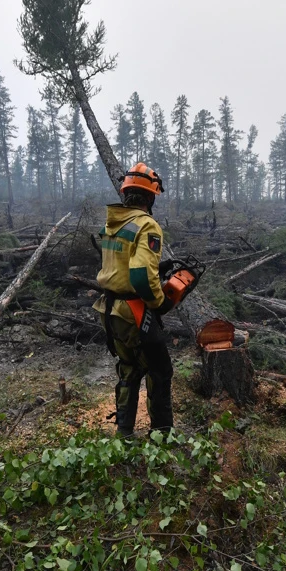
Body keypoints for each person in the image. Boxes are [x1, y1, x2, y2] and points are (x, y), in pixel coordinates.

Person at [93, 163, 175, 437]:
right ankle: (162, 437)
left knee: (128, 370)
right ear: (150, 197)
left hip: (110, 309)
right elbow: (140, 277)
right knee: (160, 371)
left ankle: (124, 436)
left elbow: (121, 265)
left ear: (126, 193)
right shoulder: (147, 226)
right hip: (133, 312)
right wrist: (159, 302)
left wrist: (157, 269)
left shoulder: (113, 223)